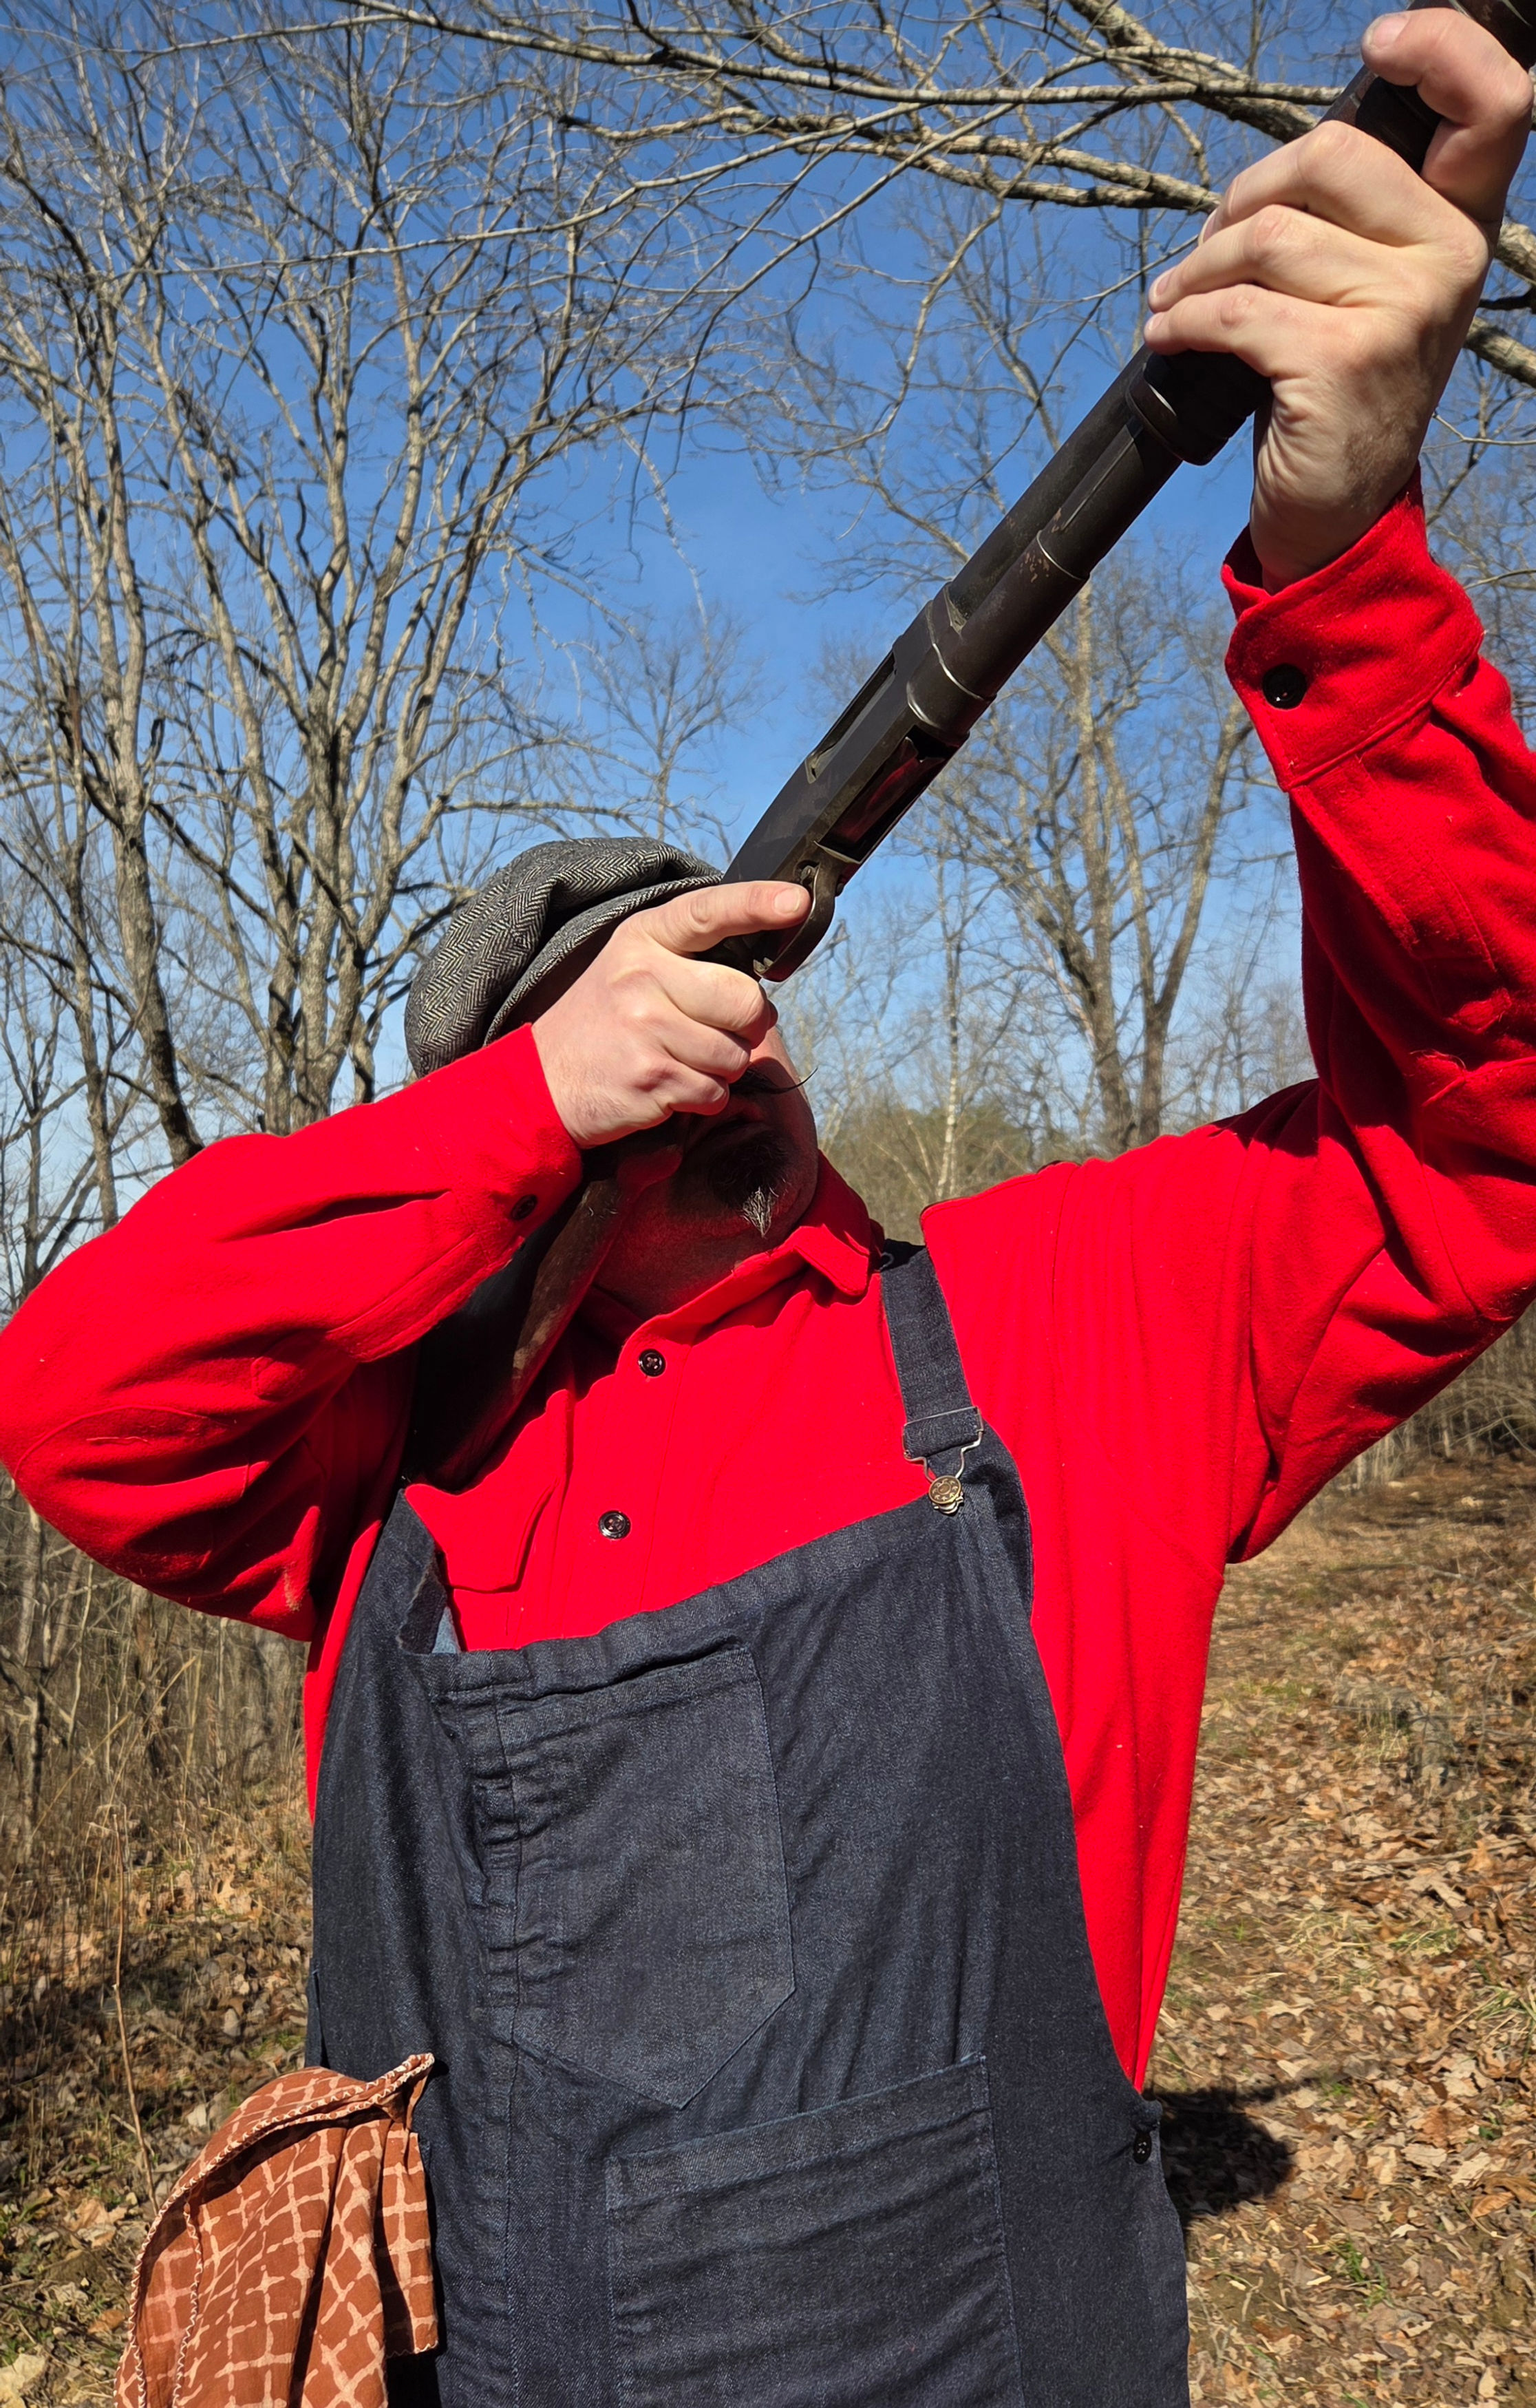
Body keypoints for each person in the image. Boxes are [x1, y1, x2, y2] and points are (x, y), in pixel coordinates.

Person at [3, 13, 1534, 2403]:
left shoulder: (1078, 1308)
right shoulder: (391, 1460)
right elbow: (75, 1395)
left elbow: (1484, 1135)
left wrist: (1346, 577)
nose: (702, 1041)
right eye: (607, 1015)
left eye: (717, 970)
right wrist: (524, 1113)